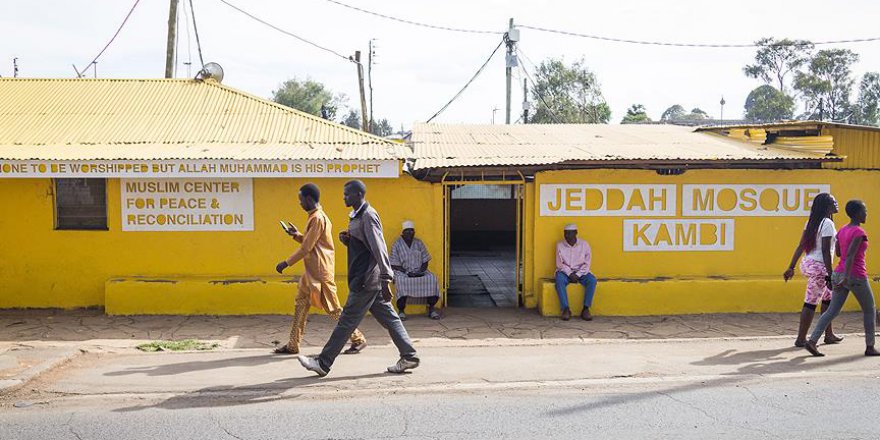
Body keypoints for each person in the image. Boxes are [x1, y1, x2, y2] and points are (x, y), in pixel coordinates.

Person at [298, 180, 420, 376]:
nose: (344, 197)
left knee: (346, 321)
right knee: (390, 318)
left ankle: (323, 362)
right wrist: (349, 241)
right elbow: (364, 245)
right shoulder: (356, 216)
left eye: (347, 194)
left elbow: (379, 249)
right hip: (365, 278)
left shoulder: (368, 216)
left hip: (366, 280)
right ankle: (409, 356)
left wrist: (386, 279)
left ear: (358, 195)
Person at [274, 183, 367, 356]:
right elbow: (311, 243)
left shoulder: (317, 218)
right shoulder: (315, 217)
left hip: (320, 272)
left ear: (309, 199)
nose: (300, 204)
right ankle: (293, 344)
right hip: (310, 272)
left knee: (333, 309)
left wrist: (285, 263)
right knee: (300, 305)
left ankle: (358, 338)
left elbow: (306, 248)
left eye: (301, 200)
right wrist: (295, 235)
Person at [805, 200, 880, 357]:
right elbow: (851, 256)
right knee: (869, 310)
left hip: (839, 273)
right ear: (857, 213)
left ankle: (812, 341)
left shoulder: (842, 230)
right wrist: (847, 277)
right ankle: (870, 346)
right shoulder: (859, 232)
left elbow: (839, 253)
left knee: (831, 311)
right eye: (864, 211)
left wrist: (841, 276)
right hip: (855, 275)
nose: (866, 214)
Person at [783, 193, 843, 347]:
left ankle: (828, 334)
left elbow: (801, 246)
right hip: (819, 267)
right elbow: (824, 251)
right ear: (826, 206)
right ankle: (801, 338)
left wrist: (791, 267)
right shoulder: (827, 223)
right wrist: (830, 275)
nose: (836, 204)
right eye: (833, 202)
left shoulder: (811, 222)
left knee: (828, 299)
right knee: (811, 302)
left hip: (810, 263)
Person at [390, 220, 441, 320]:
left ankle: (431, 309)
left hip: (419, 271)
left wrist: (421, 272)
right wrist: (407, 272)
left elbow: (425, 260)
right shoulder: (397, 244)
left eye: (412, 231)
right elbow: (394, 264)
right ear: (403, 233)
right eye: (407, 231)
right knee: (401, 281)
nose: (410, 233)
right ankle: (401, 311)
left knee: (432, 279)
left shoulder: (419, 243)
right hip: (403, 272)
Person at [555, 224, 598, 321]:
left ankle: (586, 308)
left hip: (581, 272)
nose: (567, 236)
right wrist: (570, 274)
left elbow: (587, 263)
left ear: (576, 233)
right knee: (559, 280)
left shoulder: (584, 245)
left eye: (569, 233)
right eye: (565, 233)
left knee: (592, 281)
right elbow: (560, 264)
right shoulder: (560, 245)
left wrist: (578, 274)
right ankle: (565, 309)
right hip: (565, 272)